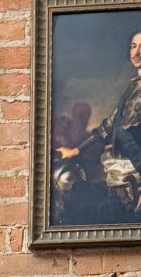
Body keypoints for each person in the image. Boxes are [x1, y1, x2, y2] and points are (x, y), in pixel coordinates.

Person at [56, 32, 141, 216]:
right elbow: (109, 125)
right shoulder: (133, 87)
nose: (137, 52)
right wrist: (77, 150)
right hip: (121, 179)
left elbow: (128, 135)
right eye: (133, 46)